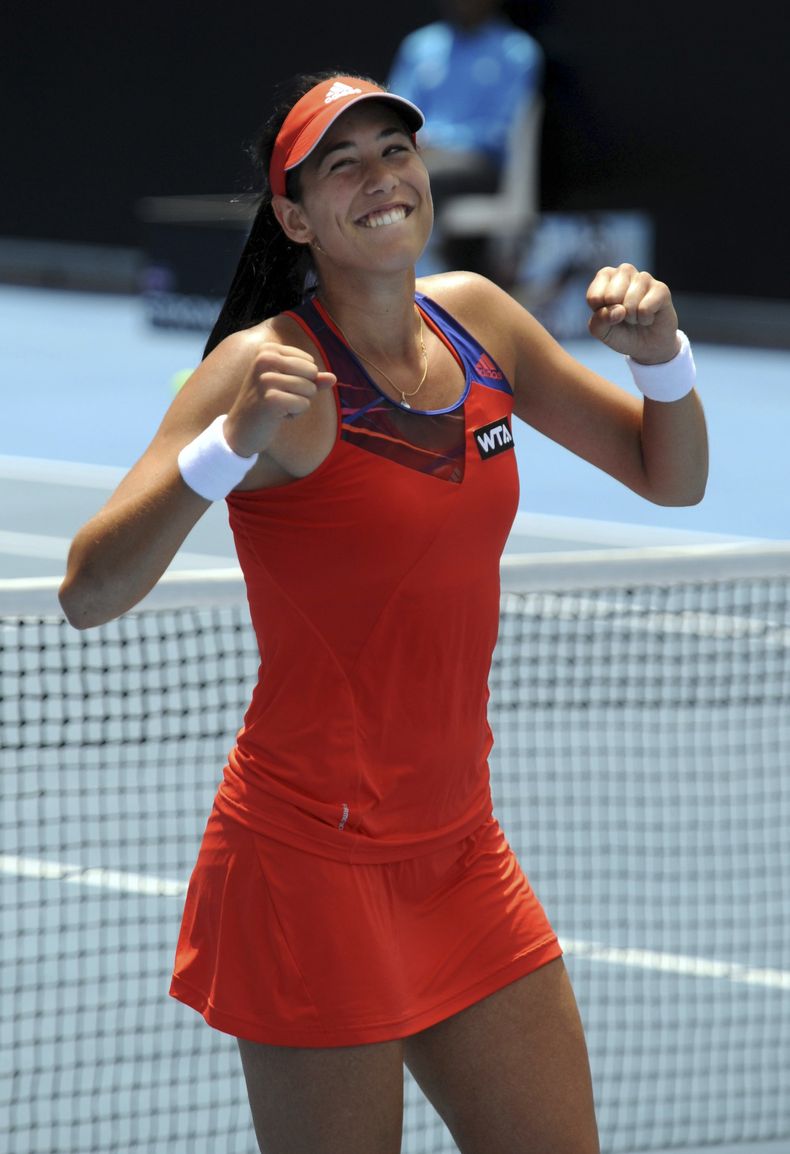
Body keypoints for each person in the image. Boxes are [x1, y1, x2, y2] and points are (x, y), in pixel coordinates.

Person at [59, 70, 708, 1154]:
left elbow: (670, 476)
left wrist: (665, 362)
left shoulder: (478, 320)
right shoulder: (263, 369)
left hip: (461, 853)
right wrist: (225, 449)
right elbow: (88, 592)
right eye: (341, 166)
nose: (380, 179)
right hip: (306, 869)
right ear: (294, 218)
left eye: (394, 152)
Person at [387, 0, 544, 275]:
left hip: (480, 164)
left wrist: (438, 141)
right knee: (385, 174)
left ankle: (406, 272)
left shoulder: (517, 50)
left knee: (415, 177)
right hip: (420, 153)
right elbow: (394, 113)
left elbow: (501, 131)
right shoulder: (419, 46)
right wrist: (416, 142)